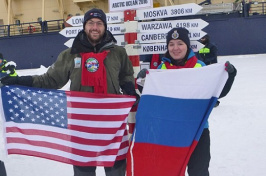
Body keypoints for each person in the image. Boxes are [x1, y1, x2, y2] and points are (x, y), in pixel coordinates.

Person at [0, 8, 138, 176]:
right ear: (84, 26)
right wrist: (20, 81)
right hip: (81, 125)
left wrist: (130, 88)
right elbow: (50, 80)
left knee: (116, 171)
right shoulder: (70, 55)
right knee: (83, 172)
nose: (95, 27)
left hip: (112, 124)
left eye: (99, 23)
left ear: (105, 26)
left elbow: (126, 75)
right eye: (91, 23)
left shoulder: (118, 53)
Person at [137, 27, 237, 176]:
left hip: (197, 130)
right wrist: (142, 82)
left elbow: (217, 93)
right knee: (168, 170)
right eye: (171, 44)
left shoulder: (200, 67)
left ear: (188, 45)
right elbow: (152, 98)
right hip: (169, 131)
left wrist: (230, 75)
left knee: (199, 171)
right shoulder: (161, 69)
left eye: (180, 43)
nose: (175, 48)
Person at [197, 34, 219, 107]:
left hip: (211, 67)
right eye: (201, 38)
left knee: (212, 84)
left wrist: (206, 61)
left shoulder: (212, 46)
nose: (202, 40)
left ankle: (215, 100)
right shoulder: (199, 46)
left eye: (203, 38)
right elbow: (198, 55)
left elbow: (214, 56)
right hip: (203, 68)